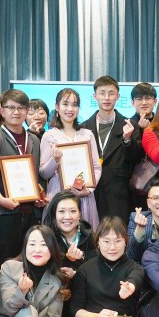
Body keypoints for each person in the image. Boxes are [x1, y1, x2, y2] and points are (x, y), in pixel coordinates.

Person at [0, 89, 44, 267]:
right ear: (2, 111)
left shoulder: (34, 139)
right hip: (5, 212)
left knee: (31, 260)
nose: (16, 112)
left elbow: (37, 174)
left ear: (27, 111)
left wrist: (40, 195)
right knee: (6, 261)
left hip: (32, 212)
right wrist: (1, 199)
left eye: (21, 108)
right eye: (11, 108)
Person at [81, 75, 141, 223]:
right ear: (95, 96)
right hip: (90, 193)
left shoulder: (130, 125)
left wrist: (127, 139)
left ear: (118, 96)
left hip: (118, 195)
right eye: (102, 93)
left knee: (117, 235)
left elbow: (136, 158)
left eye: (111, 93)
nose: (106, 98)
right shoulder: (84, 128)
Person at [39, 87, 101, 225]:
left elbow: (96, 167)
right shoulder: (49, 136)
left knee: (85, 234)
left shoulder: (87, 134)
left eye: (74, 105)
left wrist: (88, 190)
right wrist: (55, 160)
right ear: (57, 107)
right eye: (65, 104)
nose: (70, 109)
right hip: (58, 194)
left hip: (84, 196)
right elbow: (44, 173)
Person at [127, 178, 159, 262]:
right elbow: (130, 256)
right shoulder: (136, 218)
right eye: (156, 198)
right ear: (148, 203)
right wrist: (140, 229)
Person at [128, 82, 158, 209]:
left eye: (148, 98)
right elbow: (131, 156)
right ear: (133, 102)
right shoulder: (128, 124)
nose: (144, 102)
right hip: (136, 186)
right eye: (139, 99)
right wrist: (141, 131)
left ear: (155, 101)